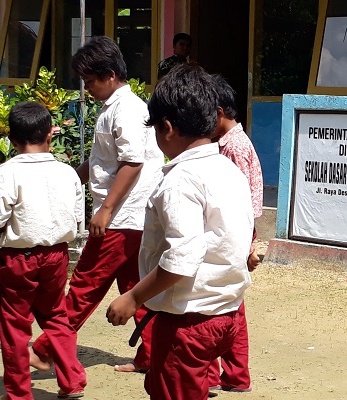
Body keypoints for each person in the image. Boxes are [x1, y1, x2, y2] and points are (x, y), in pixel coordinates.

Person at [106, 64, 255, 400]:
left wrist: (133, 296)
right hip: (226, 313)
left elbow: (182, 259)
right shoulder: (228, 170)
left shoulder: (179, 180)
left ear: (167, 128)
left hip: (189, 322)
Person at [30, 36, 164, 374]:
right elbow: (105, 161)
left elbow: (132, 162)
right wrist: (72, 178)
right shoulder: (119, 108)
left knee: (85, 285)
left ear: (109, 75)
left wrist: (105, 209)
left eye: (90, 81)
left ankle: (47, 349)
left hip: (121, 217)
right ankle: (152, 355)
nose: (87, 88)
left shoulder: (127, 109)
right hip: (131, 217)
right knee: (137, 288)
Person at [0, 101, 88, 400]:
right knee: (56, 315)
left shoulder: (8, 172)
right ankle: (72, 380)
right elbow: (77, 214)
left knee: (15, 325)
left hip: (19, 258)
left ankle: (19, 393)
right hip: (57, 255)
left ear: (12, 140)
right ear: (50, 136)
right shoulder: (67, 173)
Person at [207, 74, 265, 394]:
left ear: (216, 112)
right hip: (233, 230)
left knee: (227, 302)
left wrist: (248, 243)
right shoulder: (228, 143)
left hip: (234, 231)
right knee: (230, 301)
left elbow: (241, 198)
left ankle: (231, 373)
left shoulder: (235, 148)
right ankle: (234, 375)